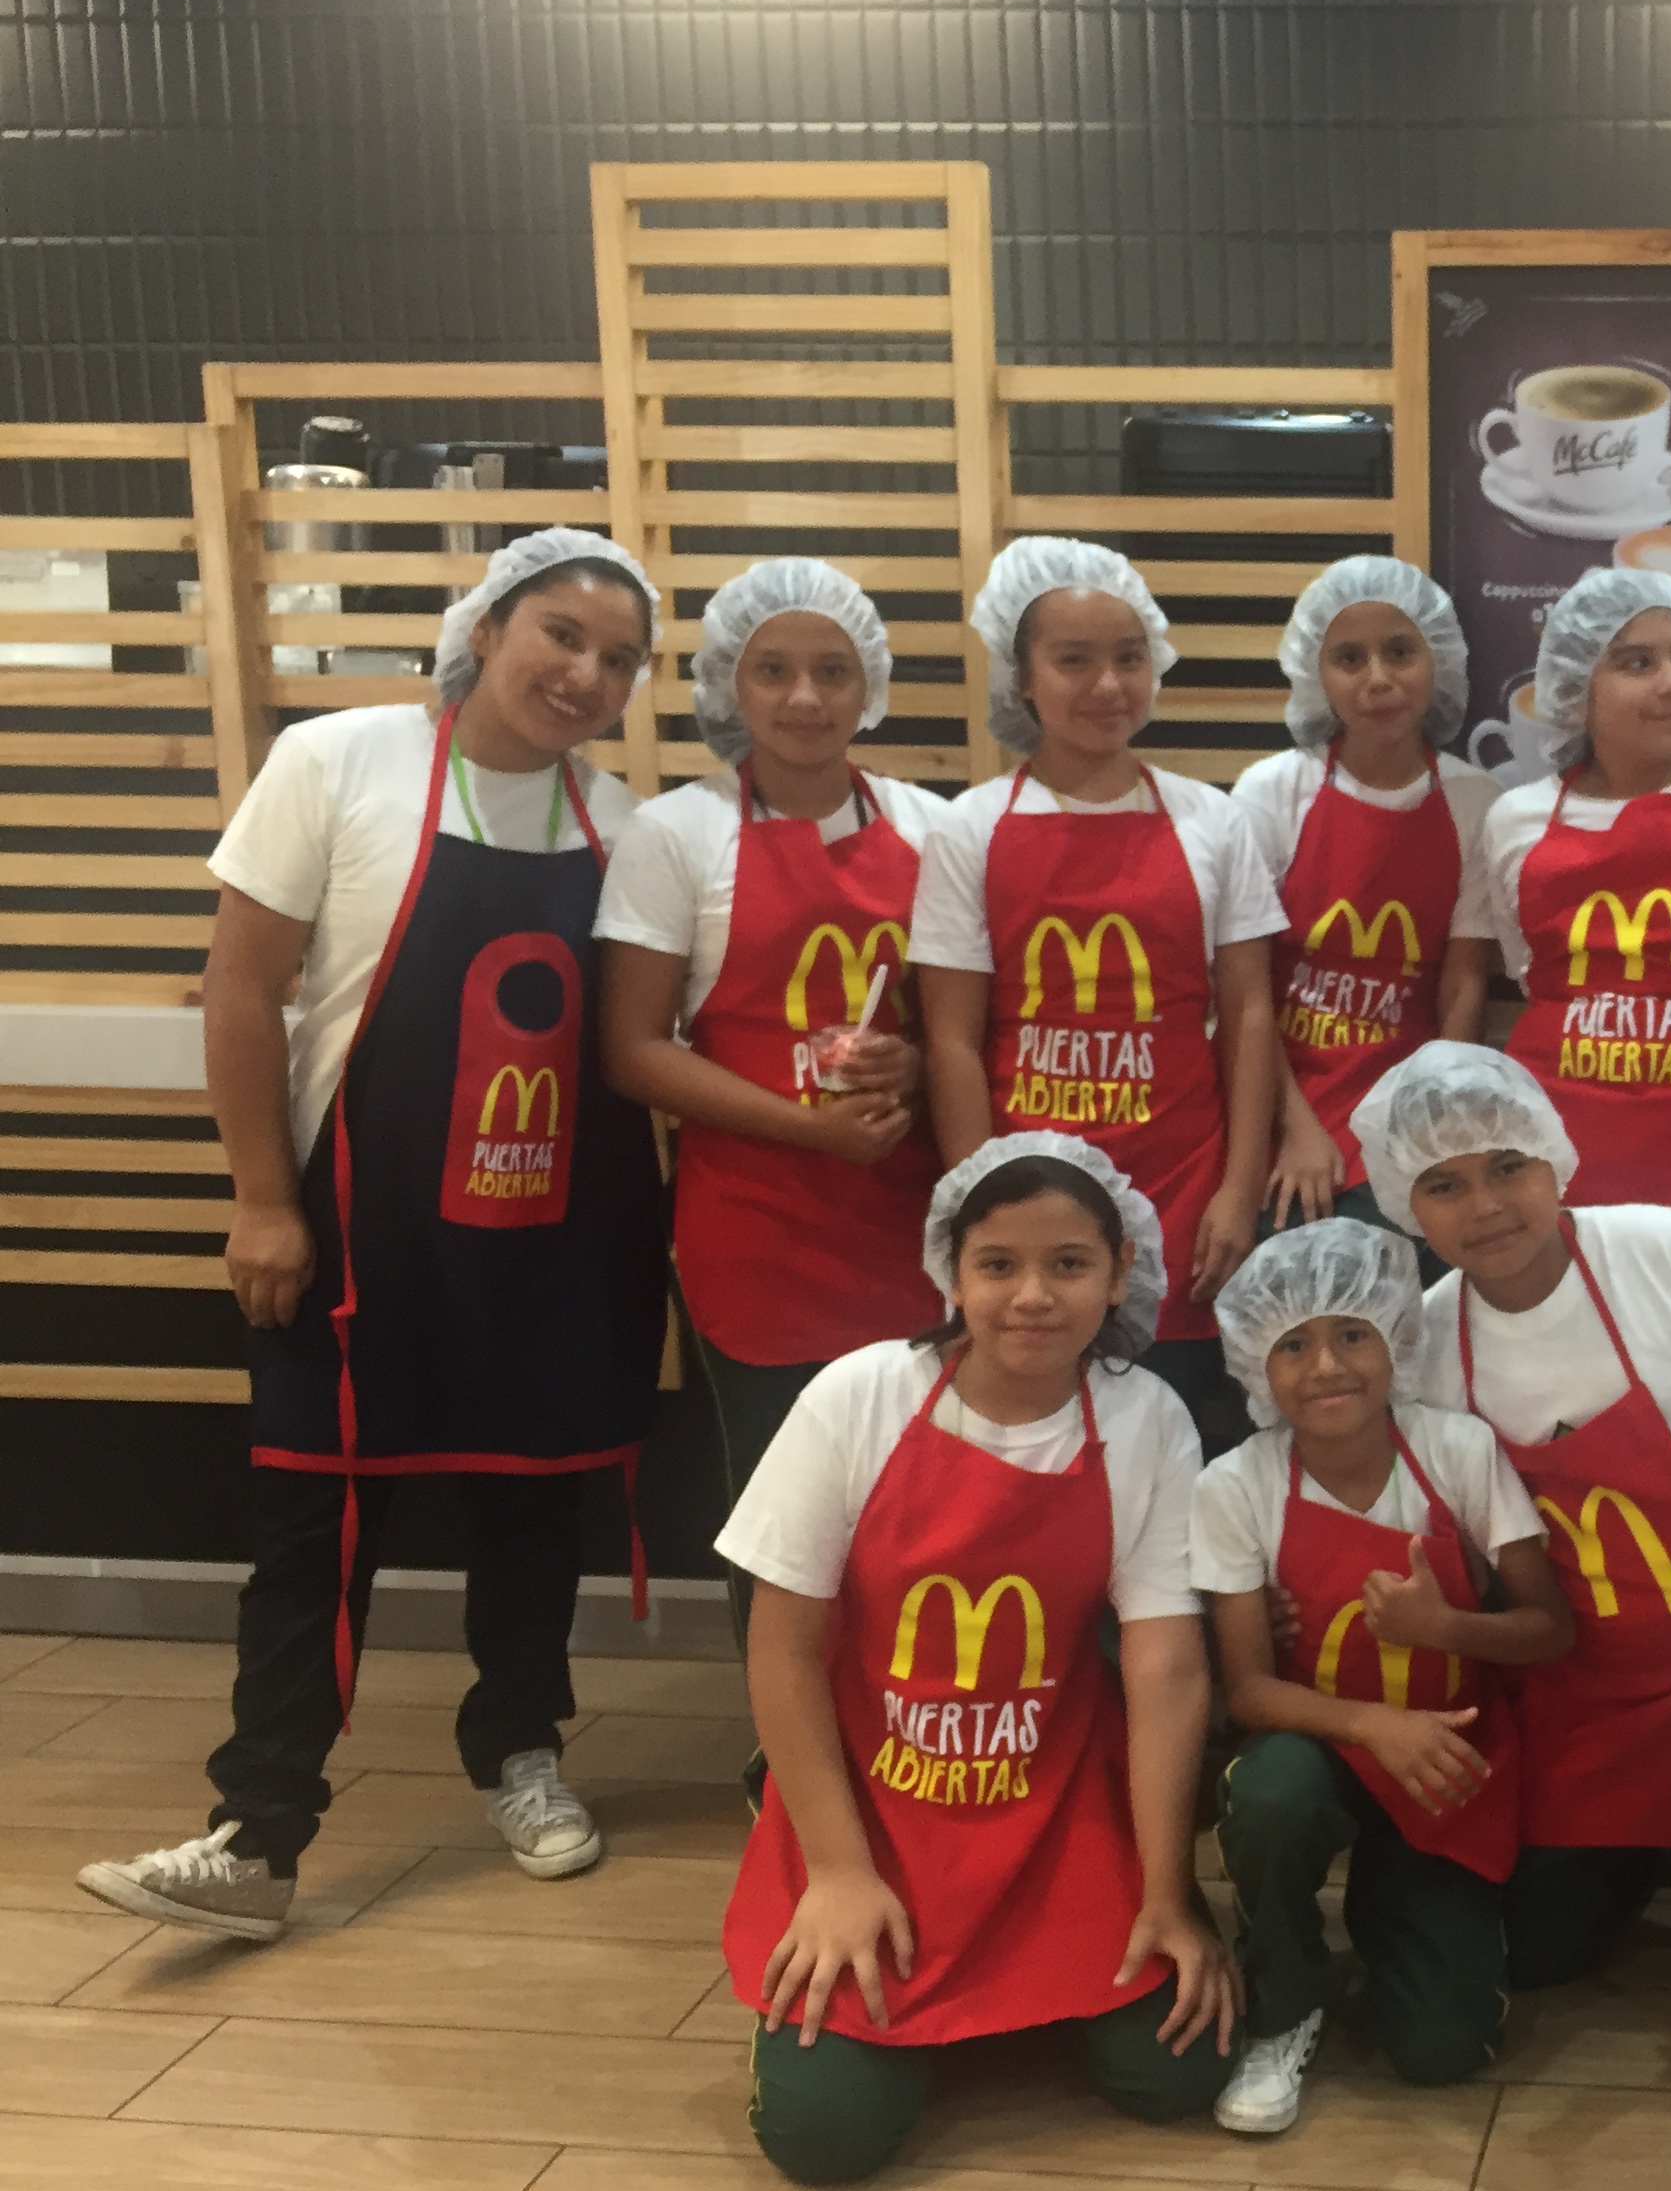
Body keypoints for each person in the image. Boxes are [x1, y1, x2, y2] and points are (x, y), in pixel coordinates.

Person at [78, 531, 667, 1941]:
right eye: (561, 634)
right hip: (361, 1230)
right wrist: (263, 1199)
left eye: (620, 659)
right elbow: (240, 986)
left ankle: (521, 1752)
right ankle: (258, 1833)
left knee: (533, 1514)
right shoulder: (339, 762)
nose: (585, 674)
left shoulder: (626, 824)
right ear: (487, 625)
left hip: (552, 1240)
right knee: (312, 1531)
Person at [715, 1135, 1236, 2183]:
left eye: (1069, 1264)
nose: (1032, 1296)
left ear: (1120, 1272)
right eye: (998, 1264)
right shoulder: (860, 1396)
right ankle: (965, 1999)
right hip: (878, 1808)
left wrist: (1168, 1893)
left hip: (1054, 1804)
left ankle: (1020, 1989)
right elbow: (783, 1649)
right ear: (950, 1272)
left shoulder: (1145, 1418)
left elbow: (1167, 1670)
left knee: (1175, 2072)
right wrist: (839, 1871)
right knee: (824, 2138)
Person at [1352, 1041, 1671, 2021]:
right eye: (1445, 1185)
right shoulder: (1425, 1343)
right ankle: (1638, 1857)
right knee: (1540, 1953)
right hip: (1583, 1693)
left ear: (1555, 1157)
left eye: (1508, 1166)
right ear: (1405, 1206)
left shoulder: (1663, 1249)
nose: (1485, 1205)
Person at [595, 560, 947, 1653]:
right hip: (755, 1232)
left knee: (917, 1498)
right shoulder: (676, 835)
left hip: (911, 1225)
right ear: (728, 687)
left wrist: (916, 1067)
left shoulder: (936, 828)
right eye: (774, 671)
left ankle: (903, 1715)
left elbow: (966, 1026)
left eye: (833, 671)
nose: (805, 698)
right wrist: (808, 1129)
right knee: (782, 1509)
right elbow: (632, 1050)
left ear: (869, 685)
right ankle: (783, 1733)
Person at [1194, 1219, 1573, 2133]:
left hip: (1448, 1756)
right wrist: (1370, 1725)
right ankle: (1285, 1997)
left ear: (1398, 1340)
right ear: (1255, 1365)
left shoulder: (1459, 1452)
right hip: (1321, 1749)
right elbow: (1248, 1690)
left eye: (1353, 1334)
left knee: (1442, 2052)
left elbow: (1550, 1630)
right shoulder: (1235, 1486)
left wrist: (1445, 1628)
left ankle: (1391, 1909)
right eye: (1293, 1345)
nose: (1327, 1366)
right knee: (1271, 1794)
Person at [911, 537, 1285, 1450]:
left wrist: (1237, 1191)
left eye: (1129, 657)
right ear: (1023, 678)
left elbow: (1248, 1011)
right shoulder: (969, 828)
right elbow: (953, 1039)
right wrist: (983, 1212)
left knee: (1177, 1447)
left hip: (1185, 1189)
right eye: (1074, 660)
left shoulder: (1213, 820)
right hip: (1030, 1208)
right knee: (1040, 1453)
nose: (1108, 684)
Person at [1465, 569, 1671, 1273]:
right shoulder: (1515, 820)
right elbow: (1527, 973)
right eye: (1637, 663)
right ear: (1576, 688)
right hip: (1550, 1164)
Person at [1235, 556, 1503, 1233]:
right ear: (1315, 674)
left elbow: (1463, 983)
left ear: (1436, 660)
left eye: (1401, 652)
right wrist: (1296, 1129)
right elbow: (1243, 991)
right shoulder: (1274, 792)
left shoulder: (1475, 800)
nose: (1378, 678)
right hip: (1280, 1102)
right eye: (1349, 658)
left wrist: (1430, 1128)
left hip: (1407, 1104)